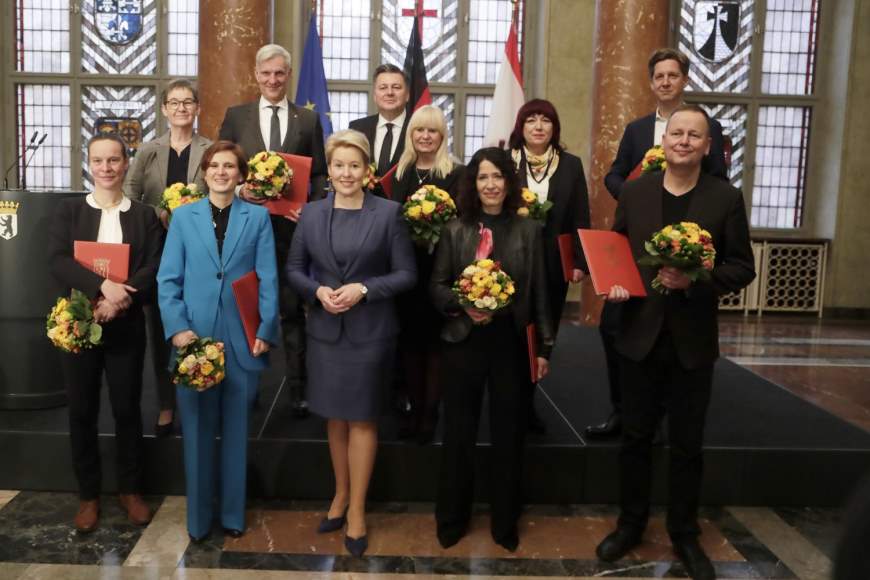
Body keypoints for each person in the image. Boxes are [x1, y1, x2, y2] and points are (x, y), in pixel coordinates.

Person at [594, 105, 755, 580]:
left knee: (687, 444)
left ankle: (684, 532)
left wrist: (695, 280)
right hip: (639, 334)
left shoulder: (725, 198)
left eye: (694, 135)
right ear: (664, 142)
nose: (684, 141)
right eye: (677, 133)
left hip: (692, 341)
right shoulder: (638, 191)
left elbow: (741, 268)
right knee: (636, 439)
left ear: (709, 146)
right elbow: (618, 249)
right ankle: (630, 524)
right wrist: (614, 280)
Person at [286, 129, 416, 557]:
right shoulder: (311, 214)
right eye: (339, 165)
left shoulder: (389, 213)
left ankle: (357, 510)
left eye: (354, 166)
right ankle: (339, 496)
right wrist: (317, 292)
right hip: (325, 331)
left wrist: (363, 289)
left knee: (362, 419)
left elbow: (405, 275)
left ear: (367, 170)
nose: (346, 173)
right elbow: (295, 270)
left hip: (370, 331)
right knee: (335, 419)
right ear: (331, 169)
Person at [589, 47, 730, 440]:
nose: (665, 82)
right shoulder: (636, 130)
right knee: (613, 325)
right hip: (640, 236)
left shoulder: (707, 127)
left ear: (684, 80)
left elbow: (718, 177)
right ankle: (624, 409)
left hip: (688, 240)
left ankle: (669, 410)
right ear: (651, 83)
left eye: (673, 75)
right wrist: (637, 195)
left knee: (676, 332)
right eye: (659, 76)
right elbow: (614, 175)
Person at [430, 147, 553, 552]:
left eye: (498, 176)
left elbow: (540, 295)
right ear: (473, 183)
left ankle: (505, 521)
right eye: (483, 177)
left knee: (509, 435)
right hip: (462, 341)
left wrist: (544, 348)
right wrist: (462, 304)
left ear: (509, 182)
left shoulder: (529, 230)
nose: (491, 185)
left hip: (510, 345)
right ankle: (451, 519)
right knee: (459, 434)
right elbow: (437, 286)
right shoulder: (454, 229)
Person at [157, 141, 280, 541]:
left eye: (230, 166)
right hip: (193, 337)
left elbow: (268, 278)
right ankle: (197, 521)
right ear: (205, 172)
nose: (222, 172)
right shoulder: (183, 217)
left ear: (241, 173)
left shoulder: (258, 218)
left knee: (236, 433)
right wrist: (176, 328)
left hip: (242, 337)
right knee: (194, 432)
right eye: (215, 165)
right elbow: (167, 279)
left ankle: (231, 516)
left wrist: (264, 329)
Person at [47, 134, 162, 533]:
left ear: (126, 163)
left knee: (128, 410)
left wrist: (119, 298)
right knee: (81, 411)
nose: (107, 168)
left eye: (114, 160)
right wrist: (101, 289)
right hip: (79, 325)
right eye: (99, 160)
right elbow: (58, 260)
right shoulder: (69, 211)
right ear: (89, 164)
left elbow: (153, 265)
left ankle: (129, 490)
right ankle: (88, 496)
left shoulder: (143, 215)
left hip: (125, 325)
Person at [218, 43, 328, 418]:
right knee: (246, 307)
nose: (273, 80)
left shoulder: (307, 121)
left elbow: (319, 174)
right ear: (256, 75)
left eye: (279, 73)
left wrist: (309, 208)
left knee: (292, 311)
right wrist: (239, 190)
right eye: (266, 73)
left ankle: (299, 390)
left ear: (289, 75)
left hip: (291, 233)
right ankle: (247, 388)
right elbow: (224, 165)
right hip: (246, 228)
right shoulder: (236, 117)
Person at [124, 78, 212, 437]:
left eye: (187, 102)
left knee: (199, 320)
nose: (180, 108)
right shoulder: (148, 150)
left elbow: (221, 189)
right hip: (157, 247)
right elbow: (130, 191)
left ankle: (199, 394)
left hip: (200, 247)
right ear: (164, 109)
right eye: (174, 103)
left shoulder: (209, 149)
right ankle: (165, 404)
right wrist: (152, 213)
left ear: (197, 109)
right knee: (162, 326)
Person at [508, 99, 590, 434]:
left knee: (544, 334)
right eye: (531, 120)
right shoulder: (505, 163)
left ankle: (527, 402)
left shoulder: (570, 165)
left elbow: (580, 215)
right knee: (512, 335)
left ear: (554, 128)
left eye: (546, 120)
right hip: (509, 263)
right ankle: (510, 402)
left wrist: (580, 262)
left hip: (554, 265)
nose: (539, 126)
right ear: (521, 126)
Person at [389, 104, 464, 443]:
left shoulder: (455, 173)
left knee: (434, 345)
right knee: (408, 342)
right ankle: (413, 408)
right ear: (411, 134)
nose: (425, 136)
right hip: (405, 269)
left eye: (432, 130)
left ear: (442, 136)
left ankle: (431, 413)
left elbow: (461, 224)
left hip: (440, 268)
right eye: (419, 130)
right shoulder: (400, 172)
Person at [349, 64, 410, 178]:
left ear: (407, 95)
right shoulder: (357, 128)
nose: (390, 92)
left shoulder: (419, 128)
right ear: (375, 96)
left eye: (396, 87)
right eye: (383, 88)